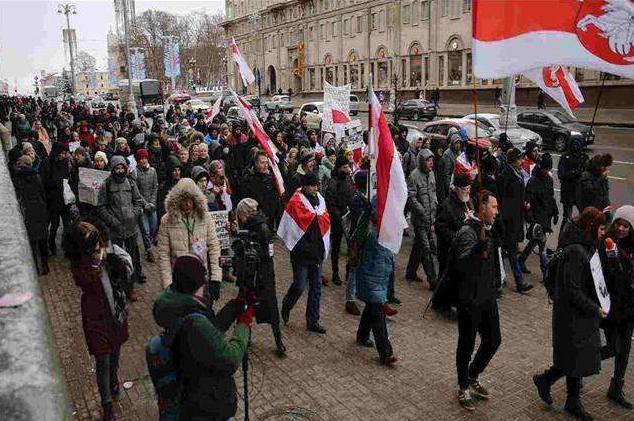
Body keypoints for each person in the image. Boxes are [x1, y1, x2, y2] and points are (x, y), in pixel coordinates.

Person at [152, 254, 252, 420]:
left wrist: (233, 308)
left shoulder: (174, 304)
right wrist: (244, 324)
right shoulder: (195, 322)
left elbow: (208, 331)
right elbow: (230, 359)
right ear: (197, 283)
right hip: (204, 404)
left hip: (186, 390)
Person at [533, 207, 607, 420]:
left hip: (578, 313)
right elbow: (572, 289)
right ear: (592, 227)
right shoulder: (576, 250)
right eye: (601, 229)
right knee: (575, 355)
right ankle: (569, 400)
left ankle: (548, 382)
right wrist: (594, 307)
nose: (603, 233)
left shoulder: (586, 245)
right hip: (572, 314)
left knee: (575, 355)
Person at [63, 221, 131, 421]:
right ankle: (107, 404)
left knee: (115, 355)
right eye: (92, 247)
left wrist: (118, 264)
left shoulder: (108, 257)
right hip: (96, 318)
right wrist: (95, 264)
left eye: (98, 244)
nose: (97, 250)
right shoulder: (82, 267)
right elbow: (83, 280)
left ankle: (113, 381)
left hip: (115, 315)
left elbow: (125, 276)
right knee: (103, 360)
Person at [454, 190, 502, 411]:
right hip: (469, 299)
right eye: (493, 207)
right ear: (482, 208)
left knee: (493, 340)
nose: (496, 211)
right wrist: (477, 250)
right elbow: (462, 265)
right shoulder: (467, 231)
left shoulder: (488, 229)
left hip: (487, 296)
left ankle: (473, 374)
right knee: (467, 343)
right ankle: (463, 385)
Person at [235, 198, 287, 357]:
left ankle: (278, 342)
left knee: (268, 308)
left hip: (261, 275)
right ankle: (245, 338)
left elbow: (267, 254)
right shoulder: (251, 225)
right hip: (252, 274)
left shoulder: (262, 228)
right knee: (244, 307)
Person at [279, 173, 329, 334]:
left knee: (316, 288)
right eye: (312, 185)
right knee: (299, 286)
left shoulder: (320, 201)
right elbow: (291, 227)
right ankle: (286, 306)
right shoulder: (296, 201)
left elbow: (324, 219)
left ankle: (313, 320)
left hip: (316, 251)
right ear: (306, 186)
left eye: (316, 185)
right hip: (301, 253)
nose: (316, 188)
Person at [354, 197, 398, 367]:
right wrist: (366, 215)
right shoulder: (367, 226)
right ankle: (386, 353)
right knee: (377, 314)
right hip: (368, 274)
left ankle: (362, 336)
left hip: (381, 275)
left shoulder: (387, 227)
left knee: (372, 309)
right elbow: (358, 239)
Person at [157, 178, 222, 292]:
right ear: (177, 200)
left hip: (201, 278)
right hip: (178, 281)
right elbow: (164, 254)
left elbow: (214, 247)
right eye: (184, 200)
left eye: (191, 200)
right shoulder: (166, 220)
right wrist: (168, 284)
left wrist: (216, 278)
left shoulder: (205, 217)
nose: (188, 204)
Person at [599, 205, 634, 409]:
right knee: (613, 348)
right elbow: (604, 275)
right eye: (619, 224)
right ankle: (570, 368)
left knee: (625, 350)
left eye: (626, 226)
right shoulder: (606, 245)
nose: (621, 229)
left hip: (629, 307)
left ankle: (616, 387)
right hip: (611, 306)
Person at [96, 156, 145, 301]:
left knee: (132, 260)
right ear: (112, 169)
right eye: (117, 168)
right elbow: (101, 207)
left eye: (122, 168)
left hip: (131, 229)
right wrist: (112, 221)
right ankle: (117, 288)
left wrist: (133, 215)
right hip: (115, 230)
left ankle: (130, 289)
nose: (119, 171)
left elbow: (138, 201)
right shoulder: (106, 184)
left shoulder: (131, 183)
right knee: (117, 261)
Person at [433, 173, 473, 319]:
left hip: (462, 249)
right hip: (448, 248)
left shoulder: (468, 202)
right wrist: (455, 238)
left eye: (469, 189)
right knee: (445, 276)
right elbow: (440, 226)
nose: (467, 192)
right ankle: (441, 305)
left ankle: (447, 302)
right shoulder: (447, 205)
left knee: (455, 278)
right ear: (456, 189)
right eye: (464, 189)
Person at [497, 148, 533, 293]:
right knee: (511, 252)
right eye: (519, 159)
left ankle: (504, 278)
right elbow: (503, 198)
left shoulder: (517, 173)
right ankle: (519, 281)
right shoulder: (507, 174)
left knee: (510, 251)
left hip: (517, 218)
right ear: (513, 160)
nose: (522, 161)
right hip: (509, 220)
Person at [519, 153, 558, 280]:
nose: (547, 172)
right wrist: (531, 219)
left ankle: (521, 259)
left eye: (548, 169)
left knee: (535, 241)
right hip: (537, 217)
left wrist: (555, 211)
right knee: (542, 245)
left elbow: (551, 198)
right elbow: (527, 202)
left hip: (546, 216)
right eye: (545, 169)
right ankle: (545, 272)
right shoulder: (533, 181)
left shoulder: (548, 179)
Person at [405, 148, 438, 289]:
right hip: (419, 219)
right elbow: (411, 197)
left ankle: (411, 271)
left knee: (419, 246)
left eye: (432, 160)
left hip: (430, 216)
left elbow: (434, 193)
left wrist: (434, 209)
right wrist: (422, 211)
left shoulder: (431, 175)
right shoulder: (414, 176)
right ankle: (432, 278)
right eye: (428, 160)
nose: (431, 163)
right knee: (426, 248)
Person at [12, 155, 49, 275]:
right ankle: (45, 266)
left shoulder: (17, 178)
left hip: (27, 211)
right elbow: (42, 193)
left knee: (32, 243)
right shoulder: (36, 176)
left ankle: (36, 269)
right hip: (39, 210)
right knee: (43, 241)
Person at [324, 155, 354, 286]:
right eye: (345, 167)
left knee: (352, 247)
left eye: (348, 166)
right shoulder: (333, 182)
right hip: (337, 220)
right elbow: (330, 203)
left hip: (348, 218)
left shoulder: (348, 179)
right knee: (335, 248)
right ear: (339, 168)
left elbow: (351, 195)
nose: (348, 169)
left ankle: (349, 272)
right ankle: (335, 273)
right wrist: (339, 216)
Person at [41, 142, 70, 256]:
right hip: (51, 200)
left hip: (63, 199)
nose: (64, 156)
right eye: (62, 153)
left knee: (63, 224)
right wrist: (57, 183)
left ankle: (64, 245)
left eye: (65, 153)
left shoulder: (64, 163)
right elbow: (44, 181)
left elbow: (67, 177)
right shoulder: (46, 163)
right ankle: (50, 243)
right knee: (54, 224)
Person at [131, 148, 159, 262]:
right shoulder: (135, 173)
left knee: (153, 228)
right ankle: (149, 250)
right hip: (141, 207)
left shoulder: (152, 171)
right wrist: (144, 204)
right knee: (145, 230)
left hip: (152, 206)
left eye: (145, 158)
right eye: (141, 158)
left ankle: (150, 244)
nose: (143, 160)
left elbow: (155, 187)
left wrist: (152, 202)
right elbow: (136, 192)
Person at [557, 138, 588, 225]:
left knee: (584, 215)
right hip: (568, 191)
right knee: (567, 217)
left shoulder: (584, 157)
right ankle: (564, 236)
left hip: (580, 191)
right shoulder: (565, 157)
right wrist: (574, 172)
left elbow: (588, 174)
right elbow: (561, 175)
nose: (576, 147)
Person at [577, 153, 613, 217]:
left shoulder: (601, 176)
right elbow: (590, 191)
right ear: (598, 166)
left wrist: (607, 207)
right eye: (603, 166)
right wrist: (601, 179)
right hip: (590, 210)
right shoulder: (586, 175)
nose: (605, 169)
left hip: (601, 209)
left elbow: (604, 193)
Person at [436, 132, 463, 204]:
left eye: (459, 143)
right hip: (449, 183)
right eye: (456, 143)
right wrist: (449, 188)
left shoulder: (459, 152)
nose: (458, 145)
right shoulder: (447, 154)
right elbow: (446, 173)